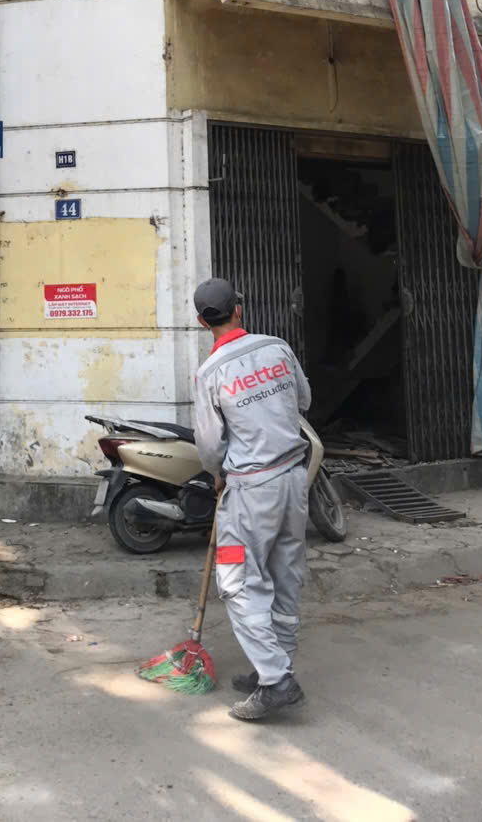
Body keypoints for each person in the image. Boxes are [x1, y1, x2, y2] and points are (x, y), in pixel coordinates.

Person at [191, 277, 312, 721]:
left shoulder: (210, 373)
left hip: (250, 492)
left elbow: (209, 447)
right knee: (285, 574)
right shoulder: (278, 348)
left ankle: (277, 681)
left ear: (202, 322)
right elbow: (304, 399)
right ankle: (274, 665)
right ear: (238, 310)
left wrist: (217, 473)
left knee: (238, 581)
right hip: (294, 481)